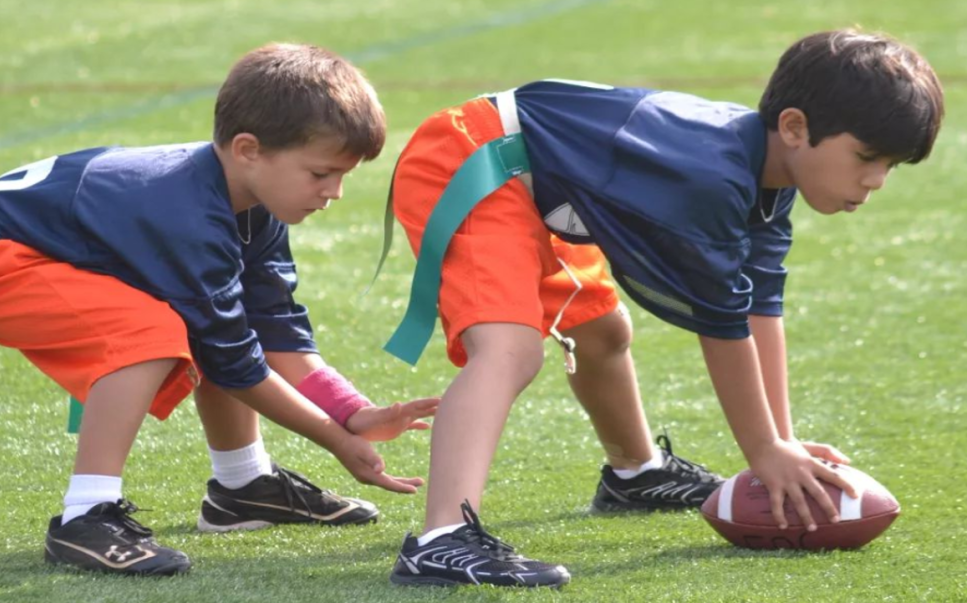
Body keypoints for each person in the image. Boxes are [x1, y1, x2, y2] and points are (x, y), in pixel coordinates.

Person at [383, 29, 943, 587]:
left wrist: (784, 440)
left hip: (537, 182)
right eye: (867, 157)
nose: (875, 181)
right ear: (795, 128)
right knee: (510, 352)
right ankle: (442, 539)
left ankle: (636, 471)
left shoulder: (770, 177)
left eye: (891, 166)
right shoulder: (711, 176)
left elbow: (759, 308)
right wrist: (765, 449)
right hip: (476, 158)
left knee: (601, 331)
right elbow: (722, 326)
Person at [0, 43, 437, 577]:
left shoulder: (254, 207)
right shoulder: (186, 211)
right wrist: (336, 440)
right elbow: (234, 363)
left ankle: (244, 486)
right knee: (152, 329)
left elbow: (273, 329)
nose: (333, 192)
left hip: (36, 245)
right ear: (247, 150)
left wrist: (353, 412)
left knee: (215, 320)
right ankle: (86, 515)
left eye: (343, 176)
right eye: (319, 173)